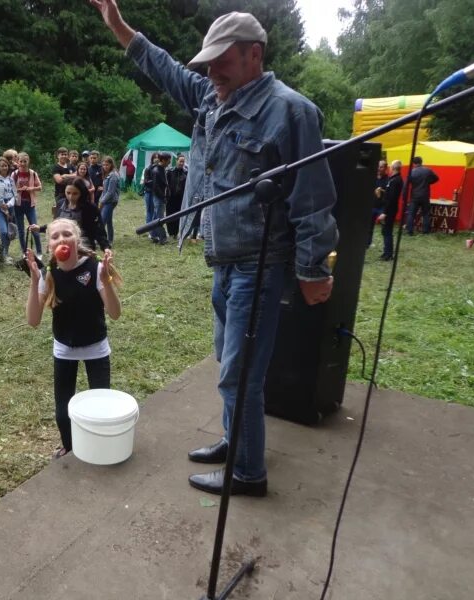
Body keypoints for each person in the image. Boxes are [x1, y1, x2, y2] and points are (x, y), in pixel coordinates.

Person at [92, 3, 338, 496]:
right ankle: (235, 441)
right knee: (229, 366)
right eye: (207, 65)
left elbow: (313, 198)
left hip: (260, 265)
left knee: (239, 376)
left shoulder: (291, 111)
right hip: (224, 262)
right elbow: (162, 67)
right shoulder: (213, 97)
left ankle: (248, 474)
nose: (210, 72)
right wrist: (119, 28)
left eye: (220, 62)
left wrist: (314, 269)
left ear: (254, 55)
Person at [25, 218, 122, 458]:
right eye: (55, 237)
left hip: (96, 348)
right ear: (49, 246)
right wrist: (34, 280)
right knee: (62, 413)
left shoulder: (95, 268)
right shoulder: (49, 275)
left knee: (100, 406)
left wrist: (107, 277)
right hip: (64, 349)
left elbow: (115, 313)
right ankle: (69, 448)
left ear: (76, 240)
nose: (61, 239)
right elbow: (33, 320)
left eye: (66, 234)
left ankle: (100, 447)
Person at [32, 178, 110, 251]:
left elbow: (99, 230)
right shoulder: (60, 204)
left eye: (75, 193)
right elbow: (57, 225)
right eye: (68, 193)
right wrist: (40, 228)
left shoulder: (90, 208)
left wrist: (106, 247)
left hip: (83, 248)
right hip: (62, 246)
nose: (71, 197)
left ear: (81, 193)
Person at [12, 152, 43, 258]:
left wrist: (31, 188)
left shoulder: (32, 173)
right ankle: (24, 252)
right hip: (18, 205)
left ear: (28, 161)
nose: (23, 163)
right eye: (21, 161)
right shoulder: (14, 174)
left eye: (25, 161)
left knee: (34, 228)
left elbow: (40, 187)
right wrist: (20, 189)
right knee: (20, 230)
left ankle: (39, 252)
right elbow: (11, 189)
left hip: (30, 205)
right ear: (17, 162)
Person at [377, 160, 403, 261]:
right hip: (390, 209)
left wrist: (384, 212)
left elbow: (391, 198)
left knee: (387, 231)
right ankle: (387, 252)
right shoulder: (395, 179)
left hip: (389, 210)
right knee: (386, 231)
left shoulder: (394, 180)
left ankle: (388, 254)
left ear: (392, 167)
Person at [406, 156, 439, 235]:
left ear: (414, 163)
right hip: (425, 195)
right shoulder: (428, 170)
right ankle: (425, 231)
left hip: (415, 195)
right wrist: (429, 182)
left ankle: (410, 230)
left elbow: (408, 183)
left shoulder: (412, 172)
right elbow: (436, 178)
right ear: (421, 162)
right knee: (426, 213)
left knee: (411, 214)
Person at [147, 152, 171, 244]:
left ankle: (153, 235)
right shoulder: (157, 171)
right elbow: (156, 187)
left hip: (159, 197)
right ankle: (162, 238)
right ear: (163, 160)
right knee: (159, 219)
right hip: (159, 197)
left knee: (155, 217)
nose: (169, 163)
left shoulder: (162, 169)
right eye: (168, 161)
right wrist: (163, 197)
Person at [99, 155, 120, 245]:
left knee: (102, 221)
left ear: (111, 165)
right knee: (108, 221)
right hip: (106, 200)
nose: (105, 167)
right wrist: (101, 199)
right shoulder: (107, 175)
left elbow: (110, 192)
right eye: (103, 165)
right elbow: (105, 190)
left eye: (107, 165)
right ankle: (110, 240)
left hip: (110, 201)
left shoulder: (113, 175)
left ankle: (101, 240)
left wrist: (101, 201)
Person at [166, 154, 188, 238]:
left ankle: (175, 232)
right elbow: (166, 184)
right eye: (180, 161)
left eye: (183, 161)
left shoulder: (186, 173)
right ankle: (170, 232)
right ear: (177, 161)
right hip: (171, 198)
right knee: (169, 214)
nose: (182, 163)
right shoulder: (170, 172)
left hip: (180, 198)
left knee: (179, 215)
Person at [369, 160, 389, 247]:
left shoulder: (388, 179)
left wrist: (382, 190)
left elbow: (389, 193)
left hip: (382, 206)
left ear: (385, 168)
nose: (379, 169)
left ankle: (386, 246)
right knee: (369, 227)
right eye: (378, 167)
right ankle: (367, 243)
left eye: (381, 167)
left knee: (385, 227)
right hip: (372, 205)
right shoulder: (372, 178)